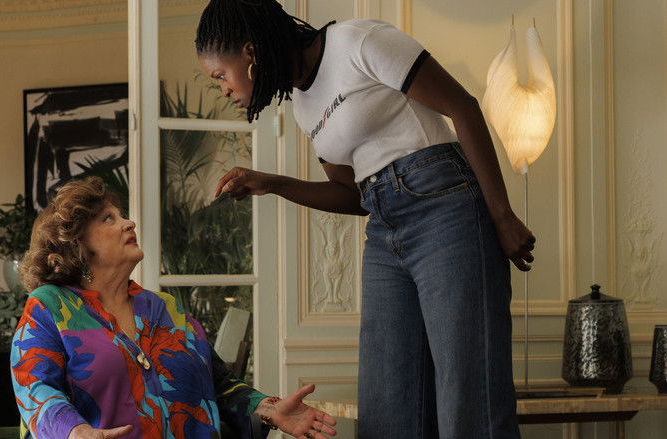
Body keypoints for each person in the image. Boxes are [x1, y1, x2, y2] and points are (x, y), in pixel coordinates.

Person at [195, 1, 535, 438]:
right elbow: (354, 196)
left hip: (446, 208)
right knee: (388, 408)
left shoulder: (358, 41)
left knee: (469, 400)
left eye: (220, 75)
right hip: (384, 230)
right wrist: (273, 183)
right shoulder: (303, 105)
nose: (223, 89)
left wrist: (502, 215)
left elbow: (463, 106)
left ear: (249, 52)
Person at [11, 176, 337, 439]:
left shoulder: (164, 307)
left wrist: (268, 408)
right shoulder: (50, 306)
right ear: (75, 242)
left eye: (122, 215)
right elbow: (34, 387)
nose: (129, 223)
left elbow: (220, 383)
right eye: (108, 218)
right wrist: (75, 432)